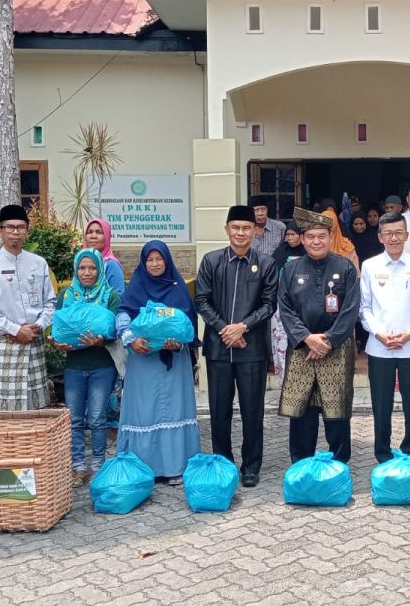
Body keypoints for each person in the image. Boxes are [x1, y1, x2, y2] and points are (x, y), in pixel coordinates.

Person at [194, 205, 278, 488]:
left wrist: (242, 327)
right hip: (218, 349)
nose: (241, 233)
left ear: (255, 231)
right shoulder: (212, 261)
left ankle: (251, 466)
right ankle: (223, 462)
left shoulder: (265, 263)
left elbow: (269, 304)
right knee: (219, 410)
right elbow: (202, 300)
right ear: (227, 230)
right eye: (235, 228)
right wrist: (223, 329)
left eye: (246, 228)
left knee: (253, 410)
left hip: (251, 348)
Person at [278, 208, 360, 464]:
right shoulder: (291, 270)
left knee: (337, 410)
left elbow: (350, 309)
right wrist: (306, 337)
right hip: (302, 348)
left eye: (321, 236)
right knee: (302, 411)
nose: (316, 241)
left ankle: (338, 464)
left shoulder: (344, 267)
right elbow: (285, 308)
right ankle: (301, 464)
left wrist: (328, 340)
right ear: (302, 239)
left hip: (336, 349)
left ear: (330, 236)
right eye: (310, 236)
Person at [117, 241, 200, 483]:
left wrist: (179, 342)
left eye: (159, 259)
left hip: (173, 361)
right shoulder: (136, 286)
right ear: (143, 263)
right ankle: (143, 468)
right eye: (149, 260)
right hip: (143, 361)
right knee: (144, 411)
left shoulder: (178, 287)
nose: (154, 264)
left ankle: (175, 467)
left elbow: (189, 322)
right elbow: (123, 312)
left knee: (175, 409)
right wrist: (130, 338)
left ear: (167, 261)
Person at [359, 211, 410, 464]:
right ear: (380, 237)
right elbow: (364, 307)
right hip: (379, 347)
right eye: (388, 233)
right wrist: (379, 333)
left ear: (407, 235)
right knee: (381, 404)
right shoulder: (369, 266)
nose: (394, 238)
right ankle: (382, 453)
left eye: (398, 233)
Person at [0, 204, 57, 412]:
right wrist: (15, 329)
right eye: (10, 227)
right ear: (0, 230)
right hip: (3, 345)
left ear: (28, 230)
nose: (15, 232)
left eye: (20, 227)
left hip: (32, 341)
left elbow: (50, 302)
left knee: (36, 406)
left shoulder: (38, 263)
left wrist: (38, 325)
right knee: (4, 410)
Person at [52, 249, 120, 486]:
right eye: (82, 268)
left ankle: (99, 464)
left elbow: (114, 331)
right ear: (76, 270)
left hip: (102, 365)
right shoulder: (66, 296)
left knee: (98, 417)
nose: (87, 273)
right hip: (74, 366)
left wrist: (102, 339)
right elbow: (58, 328)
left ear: (100, 269)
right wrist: (58, 343)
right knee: (75, 419)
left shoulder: (110, 295)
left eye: (92, 268)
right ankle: (78, 466)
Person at [271, 221, 306, 384]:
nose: (290, 238)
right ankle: (286, 381)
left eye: (294, 234)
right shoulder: (280, 252)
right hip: (282, 303)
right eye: (288, 235)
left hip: (303, 304)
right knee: (282, 342)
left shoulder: (308, 252)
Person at [83, 217, 125, 295]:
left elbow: (118, 297)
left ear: (107, 237)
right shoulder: (81, 262)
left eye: (99, 232)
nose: (93, 236)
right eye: (89, 232)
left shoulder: (111, 265)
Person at [322, 206, 361, 270]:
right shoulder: (316, 244)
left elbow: (355, 273)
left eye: (330, 223)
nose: (327, 227)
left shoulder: (347, 247)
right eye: (323, 223)